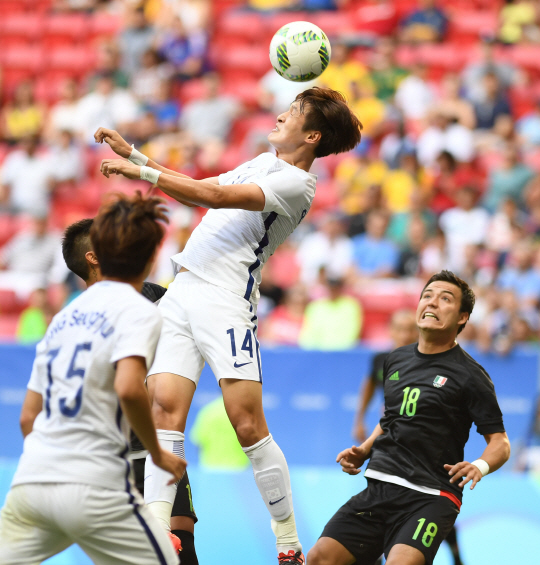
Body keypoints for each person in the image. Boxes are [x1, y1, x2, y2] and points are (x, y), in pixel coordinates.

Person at [95, 86, 363, 565]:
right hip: (182, 290)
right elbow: (201, 183)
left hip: (225, 302)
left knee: (247, 425)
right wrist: (133, 152)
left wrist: (140, 171)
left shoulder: (298, 184)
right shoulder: (264, 159)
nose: (281, 115)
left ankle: (286, 541)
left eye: (294, 112)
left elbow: (213, 196)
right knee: (163, 413)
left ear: (313, 135)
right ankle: (158, 532)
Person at [0, 192, 185, 564]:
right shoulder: (140, 310)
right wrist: (157, 454)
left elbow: (27, 418)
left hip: (31, 482)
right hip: (95, 486)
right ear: (151, 259)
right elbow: (129, 387)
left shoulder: (61, 319)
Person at [308, 270, 511, 565]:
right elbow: (392, 417)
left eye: (445, 299)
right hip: (380, 487)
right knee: (319, 558)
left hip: (431, 495)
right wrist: (365, 449)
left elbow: (501, 443)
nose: (432, 303)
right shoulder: (395, 360)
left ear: (462, 318)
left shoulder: (471, 375)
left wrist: (479, 465)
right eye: (427, 296)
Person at [352, 308, 466, 565]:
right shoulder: (382, 359)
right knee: (383, 496)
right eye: (399, 328)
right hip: (390, 440)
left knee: (431, 499)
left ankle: (456, 554)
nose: (404, 334)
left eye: (408, 329)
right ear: (391, 331)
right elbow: (369, 384)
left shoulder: (430, 361)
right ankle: (377, 553)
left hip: (425, 448)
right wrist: (359, 419)